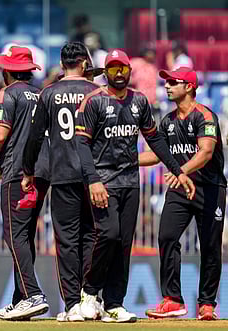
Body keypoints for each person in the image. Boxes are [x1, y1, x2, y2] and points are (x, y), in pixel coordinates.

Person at [75, 49, 196, 323]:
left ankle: (114, 303)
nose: (118, 73)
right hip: (102, 182)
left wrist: (178, 171)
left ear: (130, 71)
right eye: (113, 68)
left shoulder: (139, 101)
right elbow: (81, 145)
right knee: (108, 235)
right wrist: (92, 180)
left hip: (130, 181)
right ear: (105, 72)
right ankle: (90, 291)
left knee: (123, 244)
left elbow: (155, 141)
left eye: (123, 68)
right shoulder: (93, 101)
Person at [21, 41, 103, 322]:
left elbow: (34, 137)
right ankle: (91, 298)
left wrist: (28, 170)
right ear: (83, 63)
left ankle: (71, 305)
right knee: (92, 236)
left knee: (66, 241)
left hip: (62, 175)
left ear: (62, 63)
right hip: (94, 176)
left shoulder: (49, 93)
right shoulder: (97, 92)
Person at [0, 46, 49, 321]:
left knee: (14, 236)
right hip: (40, 173)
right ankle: (21, 299)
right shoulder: (40, 94)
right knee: (25, 236)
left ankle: (33, 294)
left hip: (16, 173)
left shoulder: (8, 93)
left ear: (7, 71)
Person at [142, 67, 226, 321]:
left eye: (173, 82)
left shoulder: (205, 116)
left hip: (209, 188)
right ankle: (173, 300)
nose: (167, 86)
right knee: (167, 236)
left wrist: (181, 170)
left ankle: (207, 304)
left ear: (189, 86)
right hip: (180, 188)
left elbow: (206, 152)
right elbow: (158, 155)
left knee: (210, 247)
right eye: (166, 82)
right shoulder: (168, 121)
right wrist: (126, 160)